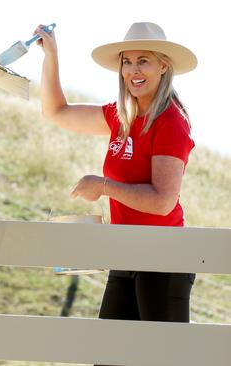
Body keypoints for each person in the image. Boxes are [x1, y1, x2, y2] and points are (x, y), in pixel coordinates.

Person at [35, 21, 197, 329]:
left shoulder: (170, 121)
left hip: (164, 257)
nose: (133, 70)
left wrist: (104, 186)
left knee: (164, 360)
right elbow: (56, 112)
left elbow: (163, 202)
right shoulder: (120, 116)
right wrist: (51, 55)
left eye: (143, 61)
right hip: (125, 254)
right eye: (127, 62)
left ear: (163, 66)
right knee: (109, 356)